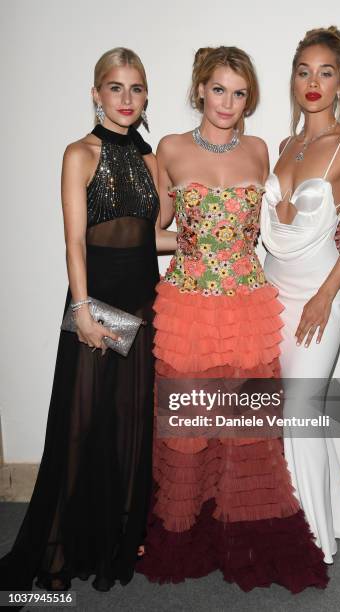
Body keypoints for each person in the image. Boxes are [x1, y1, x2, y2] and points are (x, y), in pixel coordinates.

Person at [136, 46, 329, 593]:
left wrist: (325, 230)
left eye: (239, 93)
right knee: (191, 427)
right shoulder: (169, 149)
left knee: (247, 431)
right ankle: (188, 533)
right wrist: (196, 244)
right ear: (200, 90)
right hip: (189, 307)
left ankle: (244, 534)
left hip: (247, 305)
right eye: (218, 89)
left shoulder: (259, 149)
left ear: (250, 99)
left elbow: (275, 221)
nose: (228, 102)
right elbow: (154, 232)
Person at [0, 47, 169, 592]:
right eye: (115, 88)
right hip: (98, 309)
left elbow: (155, 233)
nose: (126, 98)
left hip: (144, 309)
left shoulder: (151, 160)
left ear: (146, 98)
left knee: (128, 431)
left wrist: (214, 238)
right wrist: (83, 311)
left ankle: (114, 543)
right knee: (78, 430)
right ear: (96, 93)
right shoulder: (80, 153)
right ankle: (53, 554)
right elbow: (74, 239)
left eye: (136, 88)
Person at [260, 27, 340, 564]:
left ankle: (309, 540)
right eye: (304, 71)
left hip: (320, 295)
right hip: (271, 294)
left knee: (300, 411)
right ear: (293, 80)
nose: (313, 81)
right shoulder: (285, 146)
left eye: (325, 71)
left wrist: (327, 295)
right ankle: (330, 509)